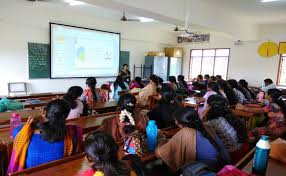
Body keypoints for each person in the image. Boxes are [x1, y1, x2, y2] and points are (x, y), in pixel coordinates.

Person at [7, 99, 83, 173]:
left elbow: (14, 134)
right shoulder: (75, 131)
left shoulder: (22, 131)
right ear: (65, 117)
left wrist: (28, 125)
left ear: (44, 112)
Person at [155, 107, 230, 172]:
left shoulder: (186, 132)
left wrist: (161, 139)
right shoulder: (206, 126)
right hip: (220, 164)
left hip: (205, 170)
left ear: (178, 122)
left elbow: (159, 153)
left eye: (175, 120)